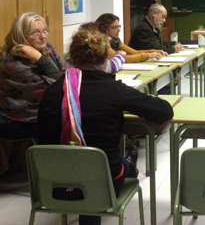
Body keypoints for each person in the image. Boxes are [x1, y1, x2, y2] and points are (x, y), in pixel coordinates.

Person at [37, 25, 174, 225]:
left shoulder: (53, 90)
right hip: (102, 184)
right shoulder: (113, 89)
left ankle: (128, 162)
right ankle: (130, 161)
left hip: (52, 184)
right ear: (105, 60)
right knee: (108, 167)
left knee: (89, 166)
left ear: (71, 59)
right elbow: (164, 112)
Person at [0, 12, 65, 140]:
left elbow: (66, 75)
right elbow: (58, 87)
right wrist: (38, 58)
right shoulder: (12, 64)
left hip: (44, 115)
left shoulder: (48, 49)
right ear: (21, 36)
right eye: (35, 33)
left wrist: (39, 56)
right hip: (21, 123)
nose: (43, 37)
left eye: (44, 31)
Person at [96, 13, 167, 63]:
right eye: (114, 27)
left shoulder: (116, 41)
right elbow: (123, 59)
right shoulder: (101, 42)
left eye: (119, 26)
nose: (119, 29)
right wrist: (148, 56)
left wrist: (155, 52)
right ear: (104, 28)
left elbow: (134, 52)